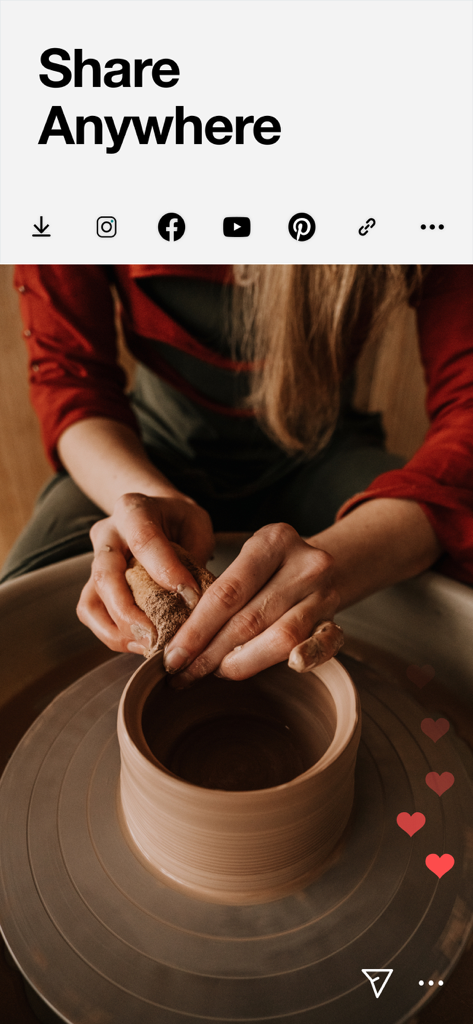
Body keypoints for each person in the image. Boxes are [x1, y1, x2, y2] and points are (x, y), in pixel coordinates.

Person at [2, 264, 472, 686]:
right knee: (20, 628)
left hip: (323, 451)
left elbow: (466, 405)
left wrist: (338, 567)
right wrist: (143, 507)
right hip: (146, 456)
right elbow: (70, 380)